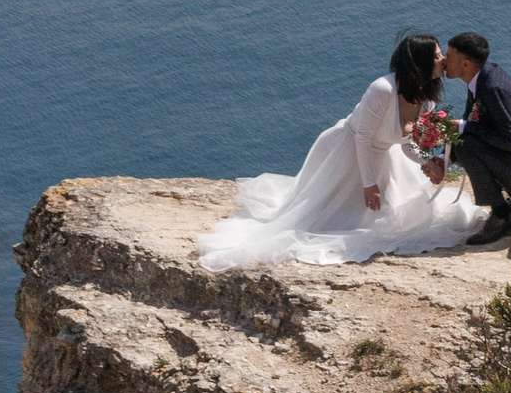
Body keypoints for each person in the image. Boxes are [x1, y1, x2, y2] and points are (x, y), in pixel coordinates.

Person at [196, 34, 490, 270]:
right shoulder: (383, 90)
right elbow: (362, 136)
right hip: (347, 151)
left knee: (389, 217)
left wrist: (428, 163)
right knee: (328, 218)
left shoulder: (426, 99)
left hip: (384, 154)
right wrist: (369, 183)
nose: (442, 60)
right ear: (420, 62)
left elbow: (408, 143)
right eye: (437, 55)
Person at [431, 31, 511, 246]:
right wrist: (441, 159)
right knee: (465, 138)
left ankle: (502, 215)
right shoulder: (482, 80)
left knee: (465, 143)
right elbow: (470, 126)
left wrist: (465, 127)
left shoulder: (494, 88)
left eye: (449, 56)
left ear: (466, 63)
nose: (444, 61)